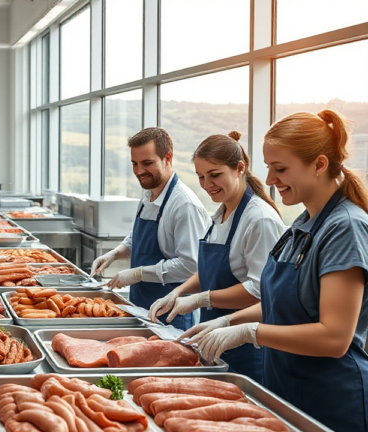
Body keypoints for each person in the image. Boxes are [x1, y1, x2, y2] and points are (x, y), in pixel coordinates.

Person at [182, 111, 368, 432]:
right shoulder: (301, 225)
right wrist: (229, 320)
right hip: (287, 391)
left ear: (319, 165)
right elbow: (282, 303)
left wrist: (249, 332)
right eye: (269, 167)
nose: (269, 179)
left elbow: (335, 337)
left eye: (280, 169)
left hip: (331, 401)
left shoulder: (345, 228)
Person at [148, 132, 285, 381]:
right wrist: (179, 292)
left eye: (215, 175)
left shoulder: (259, 219)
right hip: (212, 339)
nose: (206, 184)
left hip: (246, 348)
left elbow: (259, 290)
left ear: (239, 168)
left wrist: (201, 299)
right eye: (201, 177)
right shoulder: (220, 215)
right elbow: (210, 271)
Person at [91, 127, 209, 331]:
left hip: (172, 315)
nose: (139, 171)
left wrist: (138, 273)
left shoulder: (184, 205)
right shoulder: (149, 194)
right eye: (134, 164)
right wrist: (116, 253)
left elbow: (190, 265)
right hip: (142, 306)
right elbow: (137, 236)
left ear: (168, 157)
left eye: (147, 163)